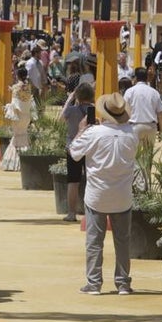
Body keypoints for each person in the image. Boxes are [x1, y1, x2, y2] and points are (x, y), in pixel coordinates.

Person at [69, 92, 139, 295]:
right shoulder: (132, 133)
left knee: (94, 242)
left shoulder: (94, 133)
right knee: (123, 242)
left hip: (97, 195)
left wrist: (81, 130)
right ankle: (123, 283)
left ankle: (94, 283)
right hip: (122, 195)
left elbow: (74, 152)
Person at [61, 82, 96, 222]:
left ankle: (71, 213)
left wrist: (70, 99)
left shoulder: (71, 110)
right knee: (90, 180)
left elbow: (61, 119)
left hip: (73, 147)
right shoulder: (93, 110)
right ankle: (90, 214)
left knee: (73, 181)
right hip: (90, 147)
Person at [0, 68, 35, 172]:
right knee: (23, 134)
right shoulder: (28, 86)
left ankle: (15, 163)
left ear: (17, 75)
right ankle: (26, 160)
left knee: (16, 136)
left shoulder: (16, 87)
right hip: (26, 115)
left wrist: (6, 108)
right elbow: (25, 99)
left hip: (18, 115)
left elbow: (14, 103)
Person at [124, 66, 162, 149]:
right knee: (148, 154)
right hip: (150, 126)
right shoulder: (154, 92)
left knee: (135, 154)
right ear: (147, 78)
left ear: (136, 78)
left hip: (134, 126)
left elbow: (125, 111)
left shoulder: (129, 91)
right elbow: (160, 114)